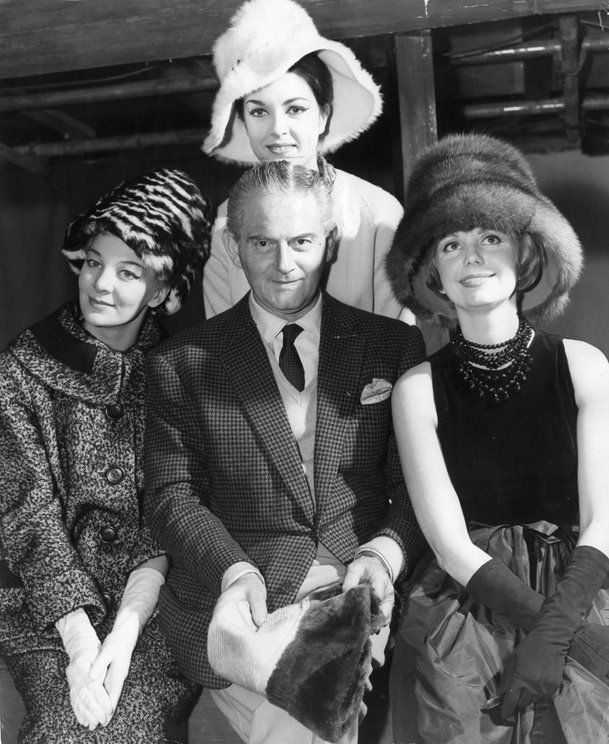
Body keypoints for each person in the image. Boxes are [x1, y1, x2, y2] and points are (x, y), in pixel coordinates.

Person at [144, 160, 427, 744]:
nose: (284, 264)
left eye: (301, 241)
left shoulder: (391, 344)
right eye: (261, 242)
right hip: (241, 595)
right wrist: (235, 572)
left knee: (304, 714)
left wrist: (382, 555)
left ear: (330, 241)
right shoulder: (183, 361)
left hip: (356, 583)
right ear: (232, 244)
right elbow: (171, 496)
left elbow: (417, 486)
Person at [386, 133, 609, 743]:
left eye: (491, 236)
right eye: (451, 243)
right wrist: (547, 635)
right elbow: (449, 542)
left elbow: (603, 520)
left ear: (525, 253)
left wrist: (562, 635)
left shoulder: (585, 366)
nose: (472, 257)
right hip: (469, 604)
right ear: (431, 270)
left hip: (581, 591)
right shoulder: (417, 390)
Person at [0, 168, 213, 743]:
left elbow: (171, 514)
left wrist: (123, 631)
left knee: (125, 724)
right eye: (93, 262)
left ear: (165, 291)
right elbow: (27, 518)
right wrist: (78, 640)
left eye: (128, 271)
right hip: (42, 612)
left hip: (159, 606)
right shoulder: (18, 370)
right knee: (69, 730)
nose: (100, 284)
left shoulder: (179, 376)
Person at [202, 0, 411, 322]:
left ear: (323, 116)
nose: (277, 130)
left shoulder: (377, 214)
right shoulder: (225, 223)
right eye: (259, 111)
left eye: (295, 109)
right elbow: (222, 343)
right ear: (242, 121)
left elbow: (398, 342)